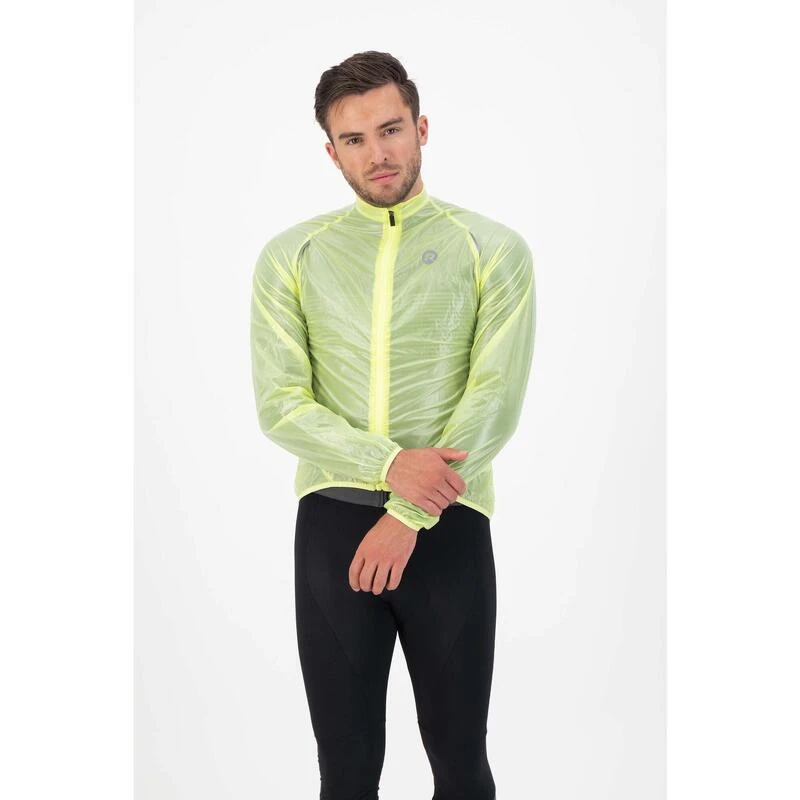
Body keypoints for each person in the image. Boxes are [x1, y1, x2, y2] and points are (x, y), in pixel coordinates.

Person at [250, 50, 536, 800]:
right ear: (331, 152)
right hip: (333, 530)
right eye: (354, 139)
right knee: (345, 772)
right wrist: (387, 466)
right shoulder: (291, 258)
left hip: (448, 527)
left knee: (460, 763)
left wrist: (408, 512)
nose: (377, 153)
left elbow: (494, 400)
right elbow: (282, 404)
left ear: (421, 128)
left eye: (391, 129)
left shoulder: (493, 250)